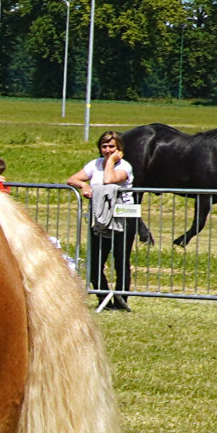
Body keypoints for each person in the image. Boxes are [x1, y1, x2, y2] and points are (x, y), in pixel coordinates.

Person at [68, 130, 136, 311]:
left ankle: (121, 302)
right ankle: (104, 298)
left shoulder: (125, 166)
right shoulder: (94, 164)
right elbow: (72, 179)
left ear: (119, 148)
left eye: (111, 146)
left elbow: (109, 179)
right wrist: (83, 184)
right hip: (100, 217)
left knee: (121, 260)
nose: (107, 150)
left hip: (124, 216)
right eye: (104, 146)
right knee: (95, 261)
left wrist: (112, 162)